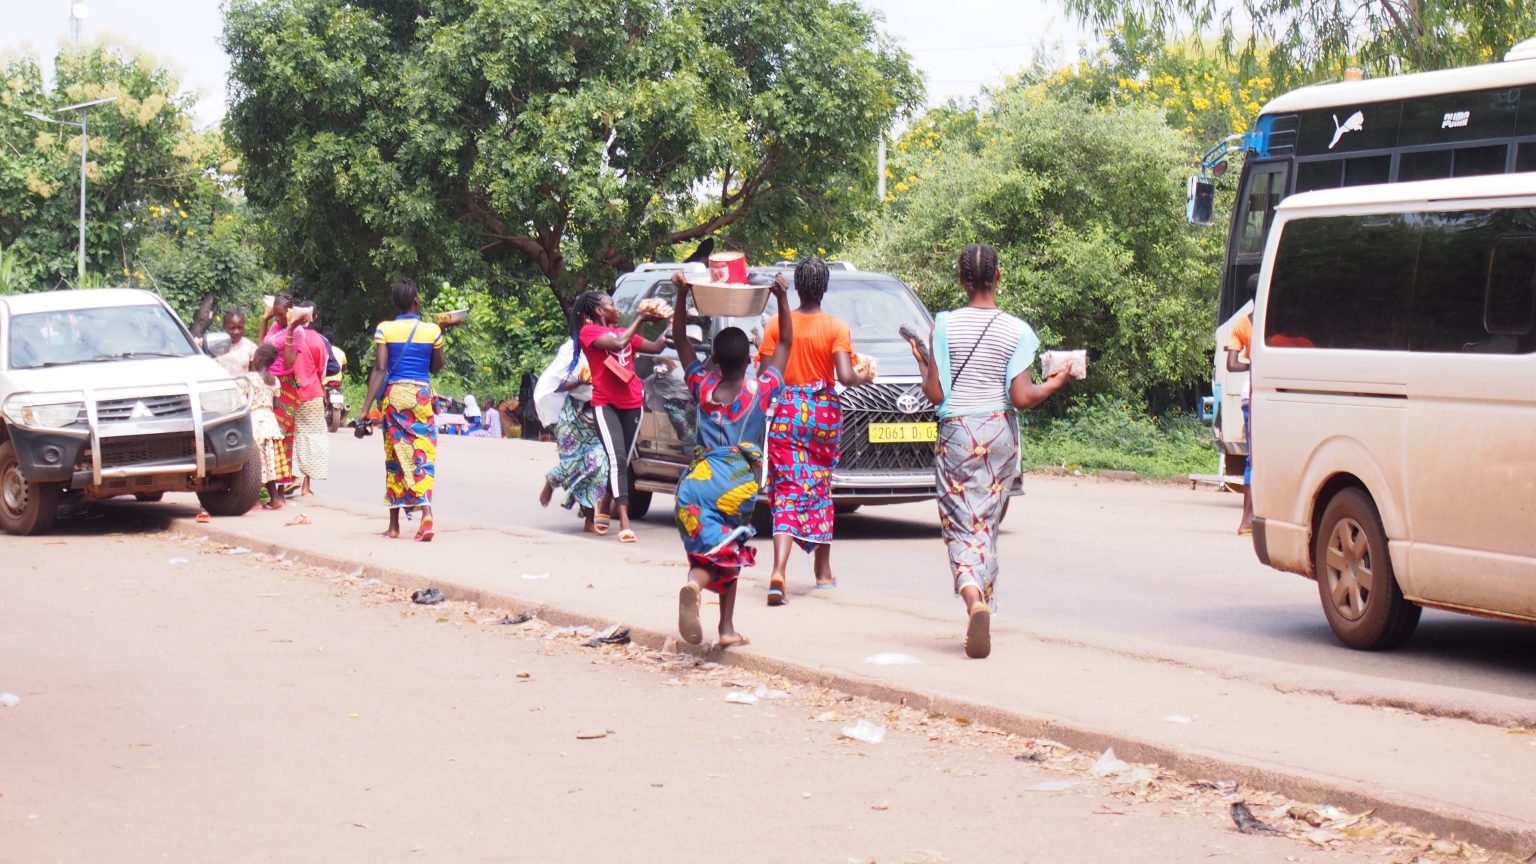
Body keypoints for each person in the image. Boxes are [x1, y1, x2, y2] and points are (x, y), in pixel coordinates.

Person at [907, 243, 1072, 659]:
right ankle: (982, 599)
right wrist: (1056, 381)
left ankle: (973, 599)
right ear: (998, 275)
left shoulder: (942, 326)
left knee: (962, 524)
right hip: (999, 434)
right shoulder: (1017, 330)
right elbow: (1021, 396)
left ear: (962, 280)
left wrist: (923, 363)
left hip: (957, 434)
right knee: (987, 522)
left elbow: (935, 393)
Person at [669, 271, 793, 647]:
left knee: (708, 548)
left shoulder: (702, 385)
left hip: (695, 485)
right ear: (751, 359)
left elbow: (679, 340)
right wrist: (781, 297)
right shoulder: (762, 388)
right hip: (735, 484)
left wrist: (682, 296)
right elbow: (786, 341)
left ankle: (698, 588)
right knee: (731, 549)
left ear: (715, 361)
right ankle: (723, 624)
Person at [756, 257, 874, 605]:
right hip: (823, 415)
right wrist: (865, 375)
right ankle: (822, 571)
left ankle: (779, 570)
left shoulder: (777, 323)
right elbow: (846, 377)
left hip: (788, 412)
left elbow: (765, 375)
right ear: (823, 288)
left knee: (788, 491)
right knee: (820, 485)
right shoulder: (836, 327)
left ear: (797, 286)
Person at [360, 279, 451, 541]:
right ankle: (426, 513)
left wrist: (365, 408)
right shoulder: (432, 330)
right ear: (416, 300)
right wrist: (440, 337)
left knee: (395, 458)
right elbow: (436, 367)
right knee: (422, 453)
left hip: (395, 396)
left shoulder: (385, 329)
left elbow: (380, 369)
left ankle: (394, 526)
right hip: (421, 397)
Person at [575, 291, 668, 543]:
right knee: (616, 459)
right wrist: (639, 318)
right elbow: (616, 344)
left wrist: (671, 323)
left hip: (633, 404)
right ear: (599, 312)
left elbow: (657, 346)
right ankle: (625, 523)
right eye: (611, 304)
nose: (616, 308)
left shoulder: (626, 331)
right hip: (605, 405)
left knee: (623, 461)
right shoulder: (590, 333)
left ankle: (606, 501)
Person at [536, 338, 610, 533]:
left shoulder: (615, 344)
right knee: (573, 462)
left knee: (597, 464)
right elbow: (556, 385)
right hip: (572, 416)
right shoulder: (572, 349)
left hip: (598, 414)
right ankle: (552, 480)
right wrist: (582, 379)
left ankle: (590, 519)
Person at [287, 301, 331, 496]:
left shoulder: (288, 336)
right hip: (312, 395)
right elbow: (322, 371)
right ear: (315, 316)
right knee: (311, 438)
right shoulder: (318, 341)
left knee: (292, 437)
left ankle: (293, 476)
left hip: (289, 395)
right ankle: (306, 486)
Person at [245, 343, 288, 509]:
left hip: (255, 422)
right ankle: (275, 498)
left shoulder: (250, 378)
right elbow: (277, 404)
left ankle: (254, 499)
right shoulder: (274, 380)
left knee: (256, 462)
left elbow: (244, 399)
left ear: (260, 358)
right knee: (269, 460)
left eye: (254, 356)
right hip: (270, 422)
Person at [1227, 309, 1254, 536]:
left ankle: (1249, 519)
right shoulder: (1273, 319)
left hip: (1249, 395)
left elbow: (1231, 364)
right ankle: (1248, 520)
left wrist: (1251, 364)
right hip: (1265, 395)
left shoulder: (1242, 324)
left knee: (1253, 459)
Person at [215, 309, 258, 377]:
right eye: (232, 328)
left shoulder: (250, 347)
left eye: (240, 328)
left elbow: (254, 376)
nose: (236, 332)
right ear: (224, 327)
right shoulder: (215, 345)